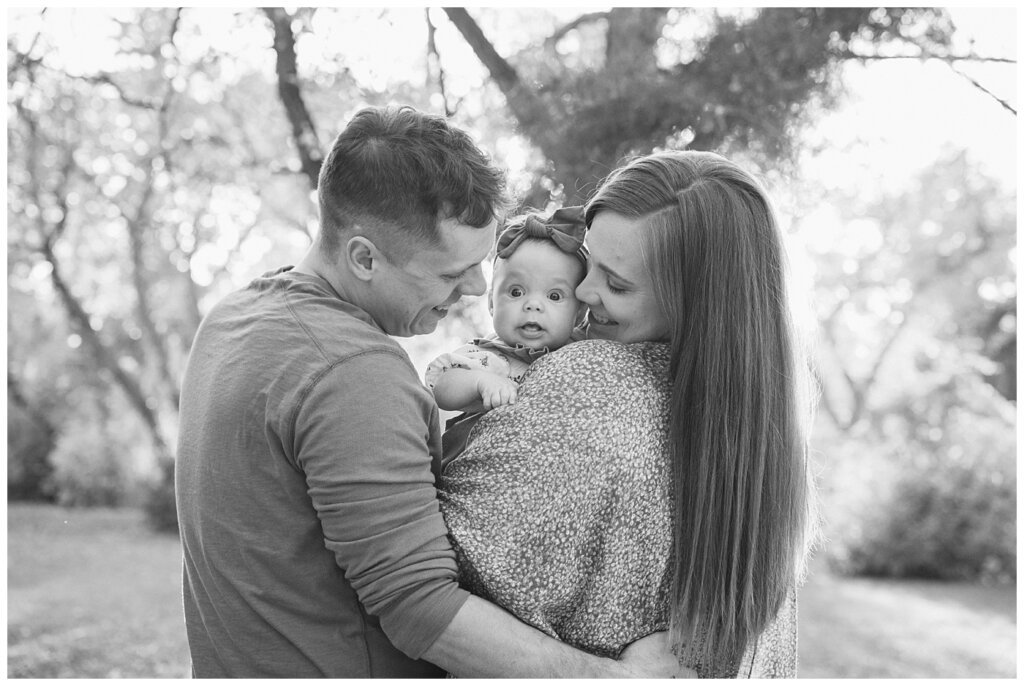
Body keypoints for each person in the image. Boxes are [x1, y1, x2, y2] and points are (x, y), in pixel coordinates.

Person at [175, 105, 687, 678]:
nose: (474, 290)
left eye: (479, 266)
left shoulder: (234, 318)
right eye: (450, 273)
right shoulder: (353, 372)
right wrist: (618, 678)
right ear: (363, 256)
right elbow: (421, 608)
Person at [438, 149, 818, 678]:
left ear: (695, 304)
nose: (584, 291)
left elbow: (425, 577)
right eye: (587, 261)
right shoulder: (763, 457)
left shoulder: (588, 383)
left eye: (617, 285)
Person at [424, 207, 588, 462]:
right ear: (491, 302)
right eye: (516, 292)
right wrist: (480, 383)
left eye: (554, 296)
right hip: (481, 466)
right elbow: (442, 387)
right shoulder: (488, 356)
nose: (533, 305)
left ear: (578, 314)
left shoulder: (585, 352)